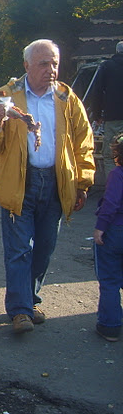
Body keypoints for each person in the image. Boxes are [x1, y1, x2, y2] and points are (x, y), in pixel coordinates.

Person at [0, 39, 95, 334]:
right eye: (44, 63)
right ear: (27, 65)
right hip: (21, 182)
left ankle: (28, 300)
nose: (51, 69)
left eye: (54, 63)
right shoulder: (5, 97)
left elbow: (83, 143)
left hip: (56, 182)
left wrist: (82, 182)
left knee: (44, 247)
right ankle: (20, 310)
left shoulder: (66, 98)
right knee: (19, 250)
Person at [93, 133, 123, 342]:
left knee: (110, 280)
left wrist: (100, 228)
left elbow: (110, 204)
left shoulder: (117, 174)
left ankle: (110, 326)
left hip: (116, 230)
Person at [86, 41, 123, 180]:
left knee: (110, 154)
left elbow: (97, 91)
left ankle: (113, 187)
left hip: (112, 118)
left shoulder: (107, 66)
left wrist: (96, 114)